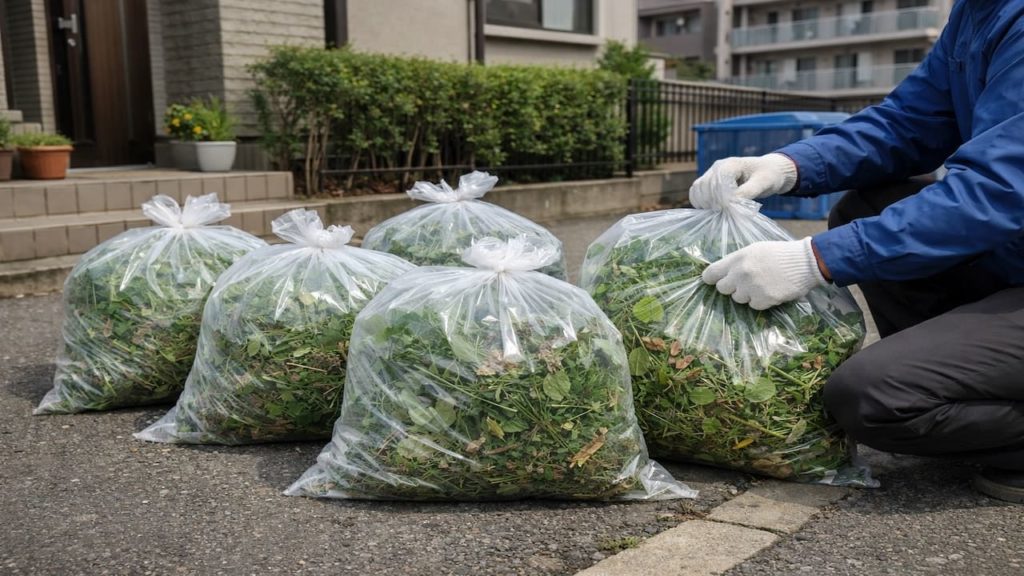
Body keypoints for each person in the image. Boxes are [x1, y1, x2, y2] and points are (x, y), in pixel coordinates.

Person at [689, 0, 1024, 503]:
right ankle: (952, 387)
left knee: (872, 399)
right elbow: (907, 122)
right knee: (865, 204)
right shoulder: (979, 13)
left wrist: (815, 260)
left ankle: (947, 404)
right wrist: (788, 164)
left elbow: (1002, 187)